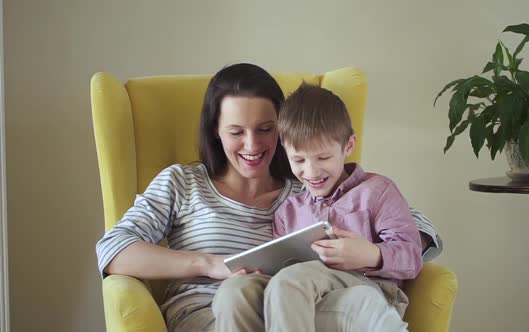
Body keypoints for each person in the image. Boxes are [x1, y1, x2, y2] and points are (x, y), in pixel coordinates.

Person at [96, 63, 440, 332]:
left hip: (297, 310)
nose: (252, 145)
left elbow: (412, 226)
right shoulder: (182, 182)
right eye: (236, 131)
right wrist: (211, 264)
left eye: (265, 129)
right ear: (216, 131)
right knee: (242, 295)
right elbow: (113, 250)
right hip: (210, 315)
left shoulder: (307, 187)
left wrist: (372, 252)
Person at [265, 83, 421, 331]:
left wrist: (371, 254)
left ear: (348, 146)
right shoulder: (288, 211)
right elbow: (280, 272)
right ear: (285, 151)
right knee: (246, 289)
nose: (311, 171)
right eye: (298, 160)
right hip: (308, 303)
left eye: (323, 158)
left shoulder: (377, 191)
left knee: (290, 282)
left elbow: (412, 257)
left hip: (368, 290)